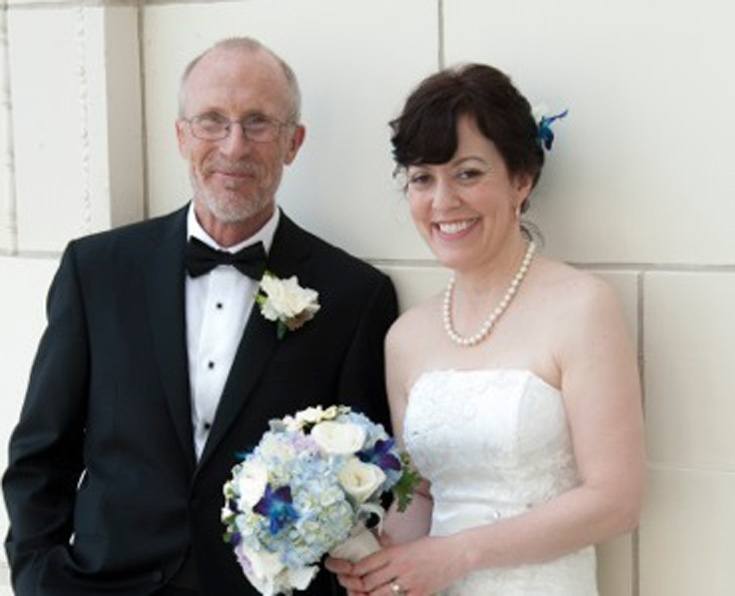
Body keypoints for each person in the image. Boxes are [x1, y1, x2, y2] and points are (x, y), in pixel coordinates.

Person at [2, 37, 397, 596]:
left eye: (258, 123)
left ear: (293, 142)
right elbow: (41, 454)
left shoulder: (354, 296)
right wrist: (39, 578)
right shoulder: (96, 270)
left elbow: (369, 486)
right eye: (212, 120)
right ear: (181, 134)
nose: (234, 146)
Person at [327, 64, 644, 595]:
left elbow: (617, 499)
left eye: (468, 173)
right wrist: (377, 559)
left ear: (522, 179)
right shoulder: (406, 336)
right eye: (423, 178)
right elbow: (422, 495)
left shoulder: (582, 307)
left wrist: (459, 553)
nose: (443, 201)